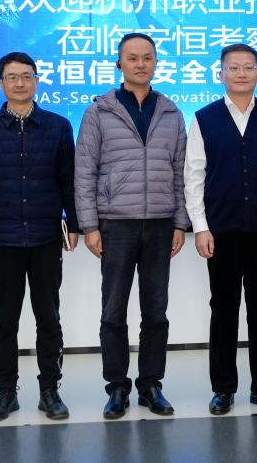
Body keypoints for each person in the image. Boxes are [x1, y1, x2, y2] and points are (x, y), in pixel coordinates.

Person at [74, 32, 190, 419]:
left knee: (156, 310)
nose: (141, 64)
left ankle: (151, 384)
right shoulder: (99, 111)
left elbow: (181, 172)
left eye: (147, 58)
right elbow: (84, 172)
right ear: (119, 63)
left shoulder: (171, 112)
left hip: (160, 224)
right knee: (113, 310)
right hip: (116, 225)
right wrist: (90, 226)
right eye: (133, 57)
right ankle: (117, 387)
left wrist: (180, 222)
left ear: (156, 63)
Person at [185, 43, 257, 416]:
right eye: (233, 67)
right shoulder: (203, 118)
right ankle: (223, 389)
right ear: (220, 73)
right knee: (223, 308)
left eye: (248, 67)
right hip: (220, 230)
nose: (241, 73)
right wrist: (200, 227)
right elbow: (193, 177)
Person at [0, 52, 80, 421]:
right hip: (2, 238)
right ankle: (5, 391)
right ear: (1, 83)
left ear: (37, 81)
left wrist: (74, 225)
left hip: (46, 236)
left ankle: (50, 390)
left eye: (26, 76)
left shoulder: (58, 126)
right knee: (5, 319)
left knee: (49, 317)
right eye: (12, 77)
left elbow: (68, 180)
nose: (20, 83)